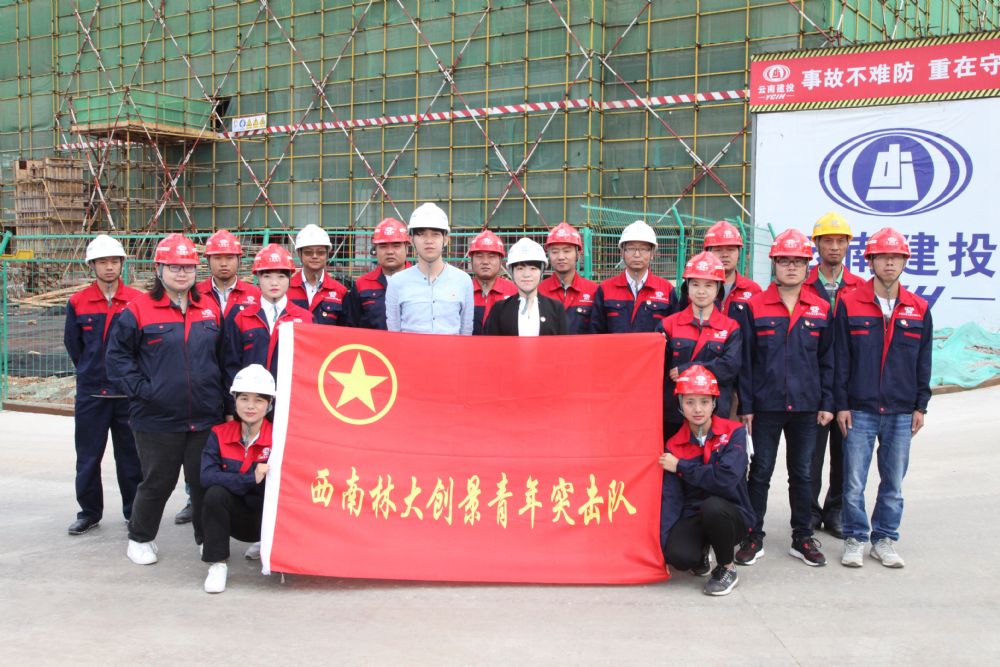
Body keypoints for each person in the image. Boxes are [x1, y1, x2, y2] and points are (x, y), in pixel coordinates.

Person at [106, 233, 225, 565]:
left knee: (203, 482)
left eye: (188, 267)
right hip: (156, 417)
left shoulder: (210, 309)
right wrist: (145, 391)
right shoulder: (138, 310)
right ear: (159, 269)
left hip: (204, 415)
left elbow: (221, 357)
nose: (182, 273)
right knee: (158, 481)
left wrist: (222, 402)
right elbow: (117, 358)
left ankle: (207, 539)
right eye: (174, 267)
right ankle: (140, 538)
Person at [736, 229, 834, 568]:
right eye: (784, 261)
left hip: (807, 407)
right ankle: (753, 535)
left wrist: (827, 403)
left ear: (808, 266)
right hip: (766, 406)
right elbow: (746, 361)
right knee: (760, 471)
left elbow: (829, 360)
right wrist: (747, 406)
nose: (791, 267)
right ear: (774, 264)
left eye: (798, 261)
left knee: (803, 473)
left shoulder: (821, 308)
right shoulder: (755, 307)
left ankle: (802, 537)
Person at [835, 228, 931, 569]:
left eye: (896, 257)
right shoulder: (850, 303)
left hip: (901, 410)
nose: (889, 263)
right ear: (871, 261)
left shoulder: (918, 308)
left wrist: (920, 405)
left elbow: (923, 360)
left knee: (893, 482)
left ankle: (884, 539)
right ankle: (855, 538)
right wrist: (841, 404)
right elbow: (841, 358)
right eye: (883, 257)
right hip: (859, 408)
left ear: (904, 261)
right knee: (853, 481)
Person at [63, 234, 143, 536]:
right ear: (92, 265)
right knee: (88, 457)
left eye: (114, 261)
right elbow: (74, 345)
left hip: (126, 394)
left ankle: (134, 512)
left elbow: (142, 346)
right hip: (92, 394)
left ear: (121, 264)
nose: (109, 267)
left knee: (131, 457)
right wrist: (90, 370)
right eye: (102, 262)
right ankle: (89, 512)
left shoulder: (137, 301)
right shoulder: (78, 302)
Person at [659, 365, 753, 596]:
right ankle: (701, 551)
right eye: (690, 402)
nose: (698, 409)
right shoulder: (674, 445)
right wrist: (663, 547)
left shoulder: (735, 433)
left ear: (714, 403)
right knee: (678, 556)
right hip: (694, 514)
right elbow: (671, 499)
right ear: (680, 404)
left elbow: (726, 480)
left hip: (731, 513)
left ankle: (727, 568)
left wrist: (681, 466)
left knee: (713, 507)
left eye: (704, 401)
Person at [806, 212, 863, 539]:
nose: (834, 247)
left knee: (845, 454)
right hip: (813, 383)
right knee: (810, 456)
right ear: (817, 244)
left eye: (841, 241)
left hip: (849, 384)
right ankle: (810, 510)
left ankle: (836, 510)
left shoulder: (859, 287)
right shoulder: (803, 285)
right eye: (828, 240)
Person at [201, 364, 276, 593]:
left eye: (259, 400)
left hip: (268, 520)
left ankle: (270, 546)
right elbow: (207, 476)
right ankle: (217, 565)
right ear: (234, 400)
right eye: (244, 398)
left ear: (269, 404)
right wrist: (251, 478)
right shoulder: (219, 433)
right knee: (214, 494)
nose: (250, 406)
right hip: (236, 519)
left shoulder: (279, 437)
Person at [658, 251, 741, 442]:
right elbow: (657, 368)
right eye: (695, 284)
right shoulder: (668, 325)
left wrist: (687, 370)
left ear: (718, 288)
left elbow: (730, 367)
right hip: (674, 414)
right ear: (687, 287)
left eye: (708, 285)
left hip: (715, 412)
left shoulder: (730, 328)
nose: (701, 291)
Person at [223, 243, 311, 403]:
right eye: (267, 276)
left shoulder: (305, 319)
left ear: (290, 279)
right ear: (258, 278)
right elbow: (231, 365)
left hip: (291, 403)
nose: (274, 283)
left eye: (281, 276)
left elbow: (309, 366)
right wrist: (232, 406)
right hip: (252, 405)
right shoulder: (242, 318)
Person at [385, 202, 475, 335]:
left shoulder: (463, 281)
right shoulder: (397, 282)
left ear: (446, 239)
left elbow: (466, 332)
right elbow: (393, 333)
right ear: (411, 239)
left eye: (435, 234)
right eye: (421, 234)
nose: (429, 241)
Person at [591, 220, 677, 334]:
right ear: (622, 252)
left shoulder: (666, 290)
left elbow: (674, 333)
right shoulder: (605, 289)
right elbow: (595, 333)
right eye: (631, 248)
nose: (637, 255)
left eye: (643, 249)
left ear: (652, 253)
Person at [484, 238, 567, 336]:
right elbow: (491, 343)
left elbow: (564, 343)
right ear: (512, 272)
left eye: (533, 268)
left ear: (541, 272)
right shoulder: (499, 309)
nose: (526, 274)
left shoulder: (556, 308)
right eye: (520, 268)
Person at [343, 218, 411, 329]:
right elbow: (350, 327)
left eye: (396, 245)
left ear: (407, 248)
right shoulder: (362, 284)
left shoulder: (420, 281)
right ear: (375, 250)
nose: (390, 252)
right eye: (383, 246)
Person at [538, 221, 598, 334]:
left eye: (567, 251)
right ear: (548, 255)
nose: (561, 257)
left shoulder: (593, 291)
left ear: (578, 254)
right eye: (555, 252)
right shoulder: (539, 291)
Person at [286, 223, 349, 325]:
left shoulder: (340, 292)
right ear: (299, 254)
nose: (315, 256)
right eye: (308, 252)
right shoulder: (286, 289)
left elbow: (346, 330)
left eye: (320, 252)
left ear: (327, 254)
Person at [196, 229, 261, 328]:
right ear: (208, 260)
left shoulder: (255, 294)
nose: (223, 264)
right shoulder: (196, 294)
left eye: (229, 258)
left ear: (239, 260)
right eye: (217, 258)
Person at [701, 220, 761, 323]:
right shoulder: (695, 289)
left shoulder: (753, 290)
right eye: (718, 250)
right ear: (707, 253)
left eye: (730, 249)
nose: (725, 255)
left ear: (739, 252)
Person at [468, 229, 517, 335]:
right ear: (471, 260)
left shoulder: (514, 292)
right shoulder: (463, 290)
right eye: (479, 256)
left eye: (492, 256)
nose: (485, 262)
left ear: (501, 260)